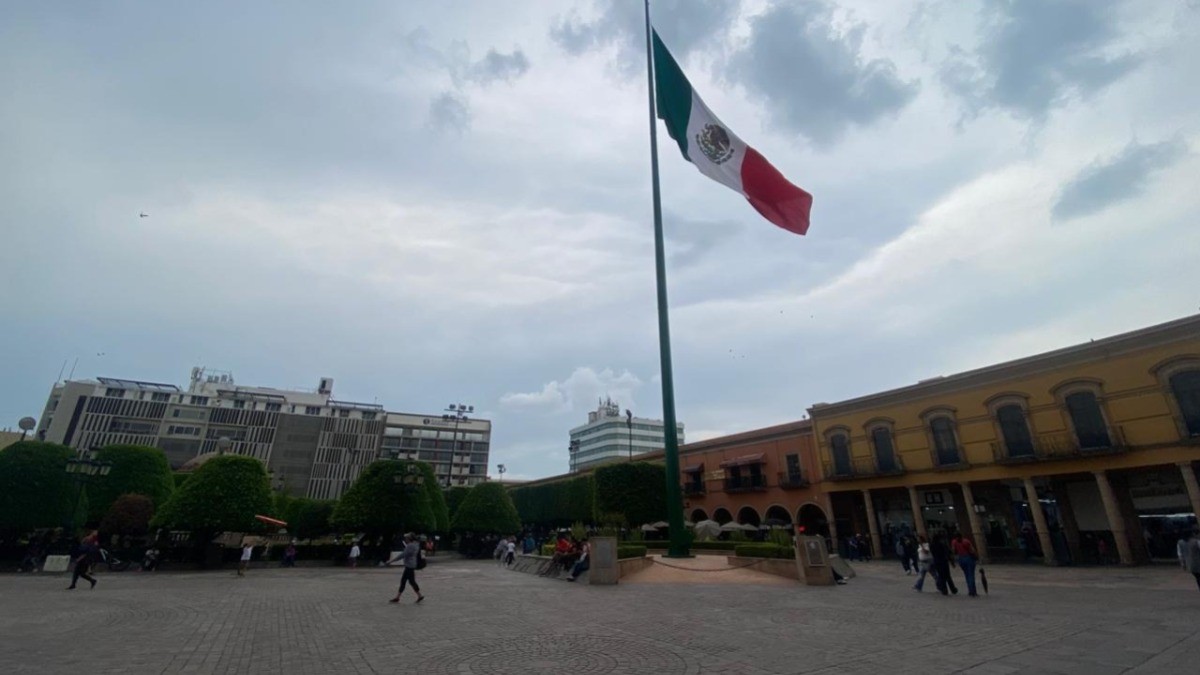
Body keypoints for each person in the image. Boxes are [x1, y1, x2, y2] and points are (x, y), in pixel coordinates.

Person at [388, 533, 425, 604]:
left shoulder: (410, 546)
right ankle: (419, 595)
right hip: (411, 565)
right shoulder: (416, 545)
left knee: (405, 581)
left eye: (406, 538)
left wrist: (391, 561)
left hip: (409, 565)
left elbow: (403, 555)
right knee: (410, 581)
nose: (405, 539)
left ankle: (398, 597)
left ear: (410, 539)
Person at [951, 532, 979, 597]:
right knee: (971, 575)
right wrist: (976, 556)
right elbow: (972, 550)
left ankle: (970, 590)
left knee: (966, 575)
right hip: (968, 558)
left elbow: (953, 551)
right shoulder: (966, 541)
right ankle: (972, 591)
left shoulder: (954, 542)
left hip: (961, 558)